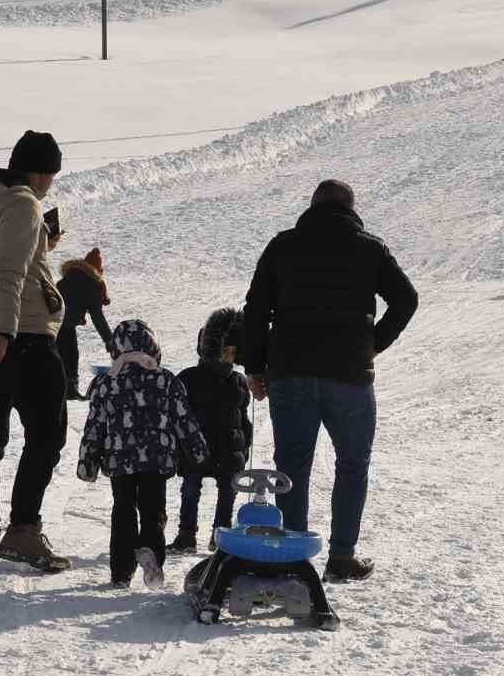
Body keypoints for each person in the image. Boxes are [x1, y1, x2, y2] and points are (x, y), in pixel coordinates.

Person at [239, 179, 419, 582]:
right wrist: (372, 345)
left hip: (290, 374)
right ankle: (341, 558)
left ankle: (293, 559)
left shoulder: (282, 245)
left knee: (293, 468)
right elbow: (407, 298)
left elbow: (255, 309)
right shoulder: (370, 248)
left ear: (312, 206)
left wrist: (254, 367)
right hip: (351, 377)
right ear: (351, 209)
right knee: (353, 465)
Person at [0, 130, 71, 571]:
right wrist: (4, 334)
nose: (49, 187)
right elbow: (6, 273)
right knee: (47, 432)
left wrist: (43, 244)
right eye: (51, 176)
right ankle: (22, 530)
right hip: (20, 334)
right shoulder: (23, 202)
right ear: (42, 171)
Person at [77, 319, 209, 589]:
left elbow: (95, 426)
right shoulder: (166, 380)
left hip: (119, 461)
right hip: (156, 460)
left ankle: (120, 573)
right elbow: (184, 420)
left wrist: (88, 461)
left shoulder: (106, 383)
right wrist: (197, 451)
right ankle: (150, 550)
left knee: (123, 511)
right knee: (153, 510)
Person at [173, 308, 252, 553]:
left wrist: (245, 443)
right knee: (189, 490)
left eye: (231, 354)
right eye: (222, 352)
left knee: (227, 494)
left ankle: (220, 535)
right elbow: (178, 417)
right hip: (196, 448)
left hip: (229, 448)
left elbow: (243, 416)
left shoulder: (238, 381)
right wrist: (178, 447)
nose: (226, 358)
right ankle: (186, 535)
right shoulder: (188, 378)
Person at [56, 247, 114, 401]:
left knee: (60, 354)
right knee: (71, 354)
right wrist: (110, 341)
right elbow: (97, 317)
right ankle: (69, 390)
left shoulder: (67, 278)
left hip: (50, 321)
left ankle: (60, 388)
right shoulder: (92, 284)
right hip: (64, 323)